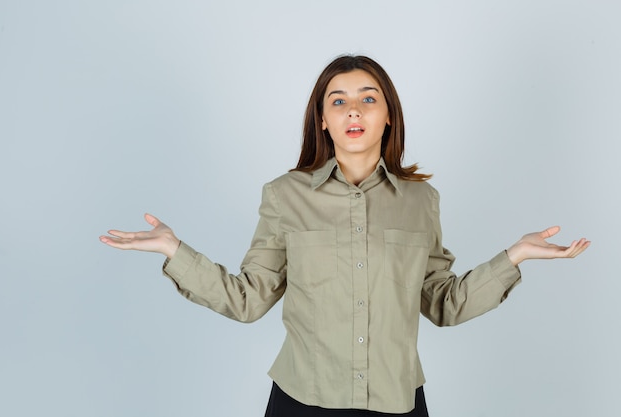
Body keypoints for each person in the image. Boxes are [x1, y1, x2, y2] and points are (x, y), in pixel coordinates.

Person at [99, 55, 589, 416]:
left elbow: (443, 302)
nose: (353, 110)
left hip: (397, 401)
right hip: (302, 401)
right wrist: (173, 250)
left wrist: (515, 256)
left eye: (367, 99)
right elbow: (248, 300)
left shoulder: (421, 201)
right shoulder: (284, 194)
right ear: (324, 119)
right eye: (339, 101)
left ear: (388, 115)